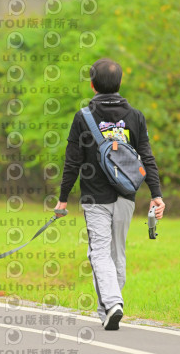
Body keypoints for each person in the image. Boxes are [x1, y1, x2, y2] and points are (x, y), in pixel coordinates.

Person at [54, 58, 165, 330]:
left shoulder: (83, 117)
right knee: (117, 253)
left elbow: (72, 162)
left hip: (95, 198)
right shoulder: (135, 116)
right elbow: (146, 157)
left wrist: (63, 198)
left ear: (92, 85)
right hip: (127, 195)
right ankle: (108, 309)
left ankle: (113, 303)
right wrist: (156, 194)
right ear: (120, 83)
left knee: (99, 253)